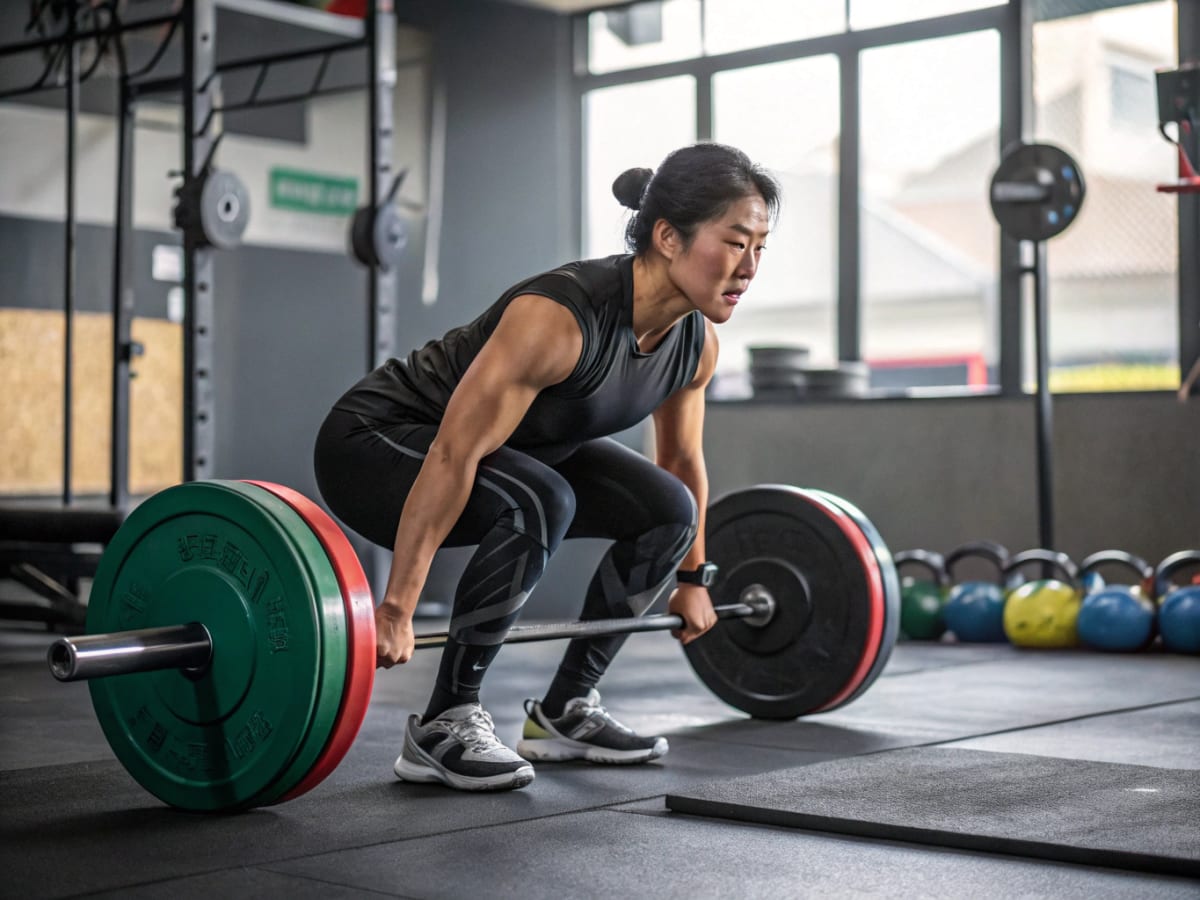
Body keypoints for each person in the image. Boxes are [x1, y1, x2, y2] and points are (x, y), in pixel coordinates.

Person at [314, 142, 780, 792]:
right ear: (669, 237)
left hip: (511, 461)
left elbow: (679, 460)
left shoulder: (694, 344)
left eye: (760, 246)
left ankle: (567, 711)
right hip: (377, 445)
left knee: (668, 509)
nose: (750, 265)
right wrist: (397, 607)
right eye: (735, 242)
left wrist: (694, 577)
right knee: (543, 499)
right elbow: (455, 451)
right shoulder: (560, 319)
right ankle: (443, 724)